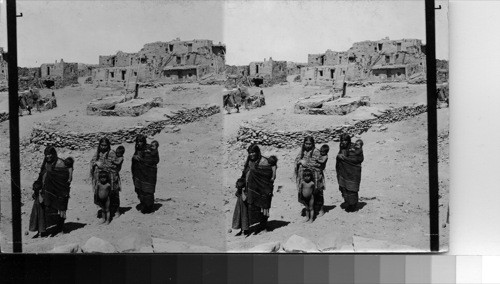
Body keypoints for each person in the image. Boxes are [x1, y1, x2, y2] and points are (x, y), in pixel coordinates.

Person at [232, 144, 275, 235]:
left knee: (262, 207)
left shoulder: (264, 161)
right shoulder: (249, 161)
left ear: (257, 152)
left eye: (253, 152)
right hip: (248, 188)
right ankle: (245, 227)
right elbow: (245, 173)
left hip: (262, 189)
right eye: (250, 153)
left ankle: (263, 226)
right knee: (245, 206)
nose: (251, 154)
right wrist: (241, 183)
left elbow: (269, 174)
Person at [29, 146, 72, 237]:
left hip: (59, 191)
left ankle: (60, 229)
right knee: (42, 208)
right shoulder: (46, 163)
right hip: (46, 190)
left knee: (60, 208)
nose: (48, 156)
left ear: (53, 154)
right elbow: (42, 175)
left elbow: (66, 176)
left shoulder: (60, 163)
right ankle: (42, 230)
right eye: (46, 155)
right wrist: (38, 186)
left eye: (50, 154)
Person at [90, 137, 122, 218]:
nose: (103, 147)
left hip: (111, 178)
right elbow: (92, 162)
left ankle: (117, 210)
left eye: (105, 145)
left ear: (108, 145)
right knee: (102, 195)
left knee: (114, 194)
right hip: (101, 178)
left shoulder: (112, 153)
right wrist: (96, 164)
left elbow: (116, 165)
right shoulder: (97, 153)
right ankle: (105, 210)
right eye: (102, 145)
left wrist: (104, 167)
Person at [295, 136, 326, 219]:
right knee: (306, 193)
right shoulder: (302, 151)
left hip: (315, 176)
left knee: (318, 192)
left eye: (309, 144)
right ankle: (309, 209)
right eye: (306, 144)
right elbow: (297, 160)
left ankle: (320, 209)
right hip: (305, 176)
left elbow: (320, 164)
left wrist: (307, 164)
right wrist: (300, 162)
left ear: (313, 144)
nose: (308, 145)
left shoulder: (316, 152)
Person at [131, 134, 160, 214]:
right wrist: (134, 157)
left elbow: (156, 160)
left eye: (141, 141)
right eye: (137, 141)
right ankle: (143, 205)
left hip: (148, 175)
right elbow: (135, 159)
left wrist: (144, 161)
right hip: (139, 174)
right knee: (140, 190)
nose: (139, 143)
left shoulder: (150, 148)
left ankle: (149, 208)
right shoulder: (137, 149)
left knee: (148, 191)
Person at [337, 136, 364, 212]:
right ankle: (348, 202)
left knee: (352, 189)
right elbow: (340, 156)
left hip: (353, 172)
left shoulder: (355, 147)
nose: (343, 142)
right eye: (342, 140)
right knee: (344, 187)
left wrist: (344, 159)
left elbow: (359, 159)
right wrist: (339, 156)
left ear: (348, 141)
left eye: (345, 140)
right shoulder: (342, 147)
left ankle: (353, 205)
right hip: (343, 172)